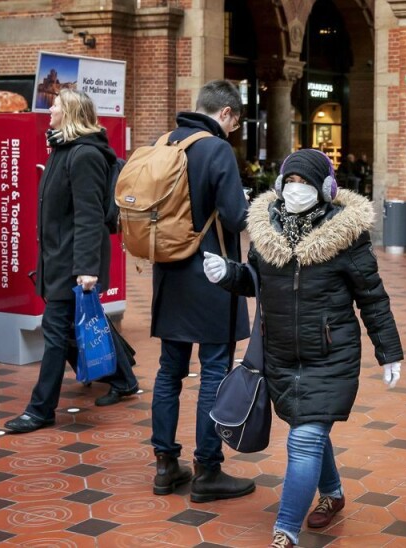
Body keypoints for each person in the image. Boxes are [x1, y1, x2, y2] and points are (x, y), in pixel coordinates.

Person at [201, 149, 404, 548]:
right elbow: (255, 281)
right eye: (290, 182)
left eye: (305, 183)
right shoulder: (266, 231)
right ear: (279, 186)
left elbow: (372, 297)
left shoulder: (346, 236)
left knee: (304, 439)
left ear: (324, 189)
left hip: (331, 355)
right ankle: (332, 493)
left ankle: (286, 531)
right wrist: (229, 275)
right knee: (307, 427)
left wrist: (390, 352)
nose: (296, 190)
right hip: (280, 354)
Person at [4, 89, 139, 434]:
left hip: (72, 263)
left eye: (56, 106)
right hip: (57, 259)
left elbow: (89, 217)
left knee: (55, 332)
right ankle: (123, 379)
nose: (49, 110)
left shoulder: (84, 156)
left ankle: (40, 409)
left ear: (72, 114)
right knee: (75, 329)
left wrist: (87, 270)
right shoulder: (63, 150)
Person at [149, 80, 255, 503]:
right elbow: (234, 215)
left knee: (168, 372)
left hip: (168, 274)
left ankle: (164, 464)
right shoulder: (216, 149)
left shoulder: (163, 141)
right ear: (226, 114)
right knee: (213, 371)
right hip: (212, 274)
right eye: (236, 122)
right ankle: (208, 470)